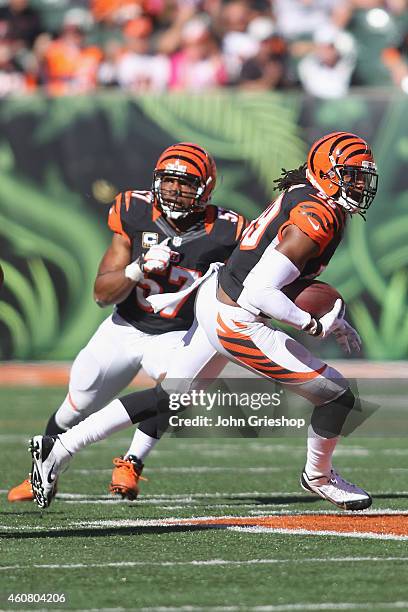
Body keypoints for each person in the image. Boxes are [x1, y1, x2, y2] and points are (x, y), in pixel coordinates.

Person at [29, 131, 379, 511]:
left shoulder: (304, 192)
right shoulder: (318, 217)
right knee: (338, 395)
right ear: (328, 173)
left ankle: (59, 447)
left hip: (215, 297)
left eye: (363, 176)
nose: (360, 185)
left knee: (169, 396)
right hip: (238, 317)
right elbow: (260, 291)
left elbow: (271, 273)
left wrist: (329, 312)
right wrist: (313, 324)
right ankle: (319, 476)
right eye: (353, 175)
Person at [9, 142, 246, 503]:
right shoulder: (134, 211)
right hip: (125, 326)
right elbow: (102, 293)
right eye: (168, 181)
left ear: (205, 187)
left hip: (178, 334)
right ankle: (43, 472)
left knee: (174, 388)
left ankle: (132, 462)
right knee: (78, 399)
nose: (173, 190)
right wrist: (137, 268)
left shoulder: (228, 231)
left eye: (185, 183)